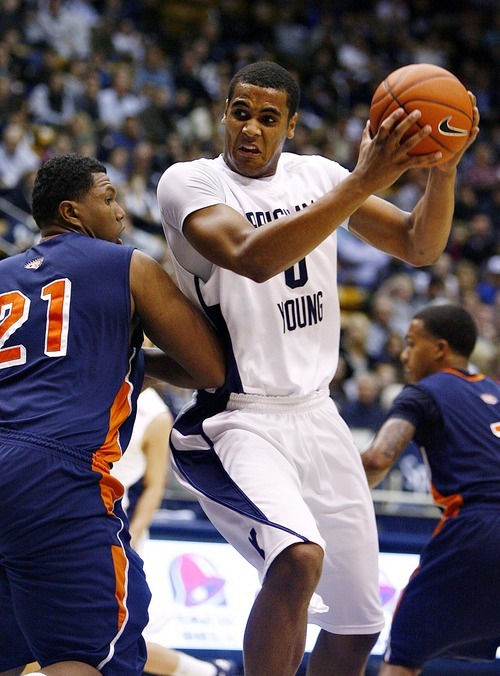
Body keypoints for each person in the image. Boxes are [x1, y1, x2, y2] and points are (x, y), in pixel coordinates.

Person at [156, 61, 479, 676]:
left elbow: (419, 244)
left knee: (359, 625)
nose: (251, 129)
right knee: (297, 559)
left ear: (292, 127)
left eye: (268, 118)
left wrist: (444, 171)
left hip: (318, 414)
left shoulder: (320, 176)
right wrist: (361, 182)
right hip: (239, 419)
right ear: (224, 114)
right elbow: (252, 258)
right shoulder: (190, 184)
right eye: (240, 113)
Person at [0, 154, 225, 676]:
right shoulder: (127, 265)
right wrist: (134, 359)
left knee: (13, 655)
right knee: (96, 657)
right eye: (107, 199)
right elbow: (210, 367)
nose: (121, 213)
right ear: (72, 212)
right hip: (56, 471)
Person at [362, 304, 500, 674]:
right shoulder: (495, 391)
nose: (404, 354)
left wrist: (322, 488)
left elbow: (378, 460)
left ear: (439, 348)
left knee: (403, 654)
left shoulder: (422, 393)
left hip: (476, 528)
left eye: (411, 343)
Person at [110, 384, 238, 676]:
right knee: (105, 639)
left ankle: (205, 672)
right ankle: (207, 672)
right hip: (68, 519)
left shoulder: (153, 413)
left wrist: (129, 537)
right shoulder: (91, 382)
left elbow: (155, 486)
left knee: (110, 639)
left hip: (116, 529)